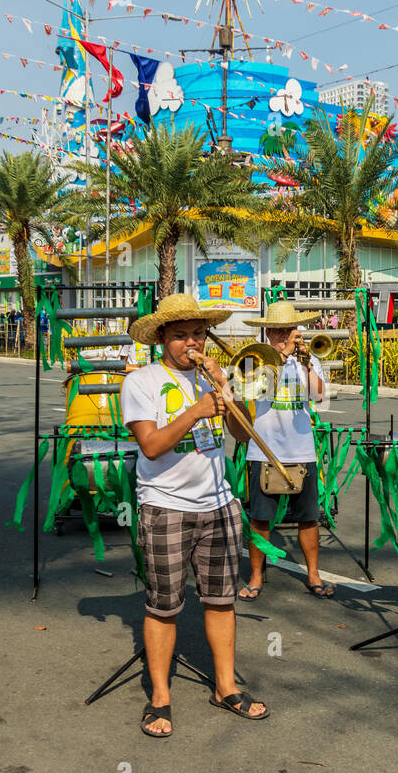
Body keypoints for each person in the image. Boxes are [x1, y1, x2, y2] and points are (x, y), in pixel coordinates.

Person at [121, 294, 268, 737]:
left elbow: (243, 435)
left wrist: (230, 391)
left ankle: (226, 687)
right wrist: (198, 410)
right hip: (165, 505)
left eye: (198, 334)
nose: (192, 343)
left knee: (222, 600)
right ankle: (160, 697)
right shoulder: (142, 382)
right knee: (164, 605)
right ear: (162, 338)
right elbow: (151, 445)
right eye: (181, 335)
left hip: (218, 503)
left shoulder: (213, 380)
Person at [239, 301, 329, 600]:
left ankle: (313, 573)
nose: (284, 335)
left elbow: (319, 396)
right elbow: (250, 391)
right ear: (267, 332)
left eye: (288, 329)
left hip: (301, 450)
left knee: (308, 518)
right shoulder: (254, 360)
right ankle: (255, 576)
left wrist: (305, 362)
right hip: (264, 451)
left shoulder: (308, 361)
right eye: (277, 330)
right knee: (260, 518)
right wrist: (280, 357)